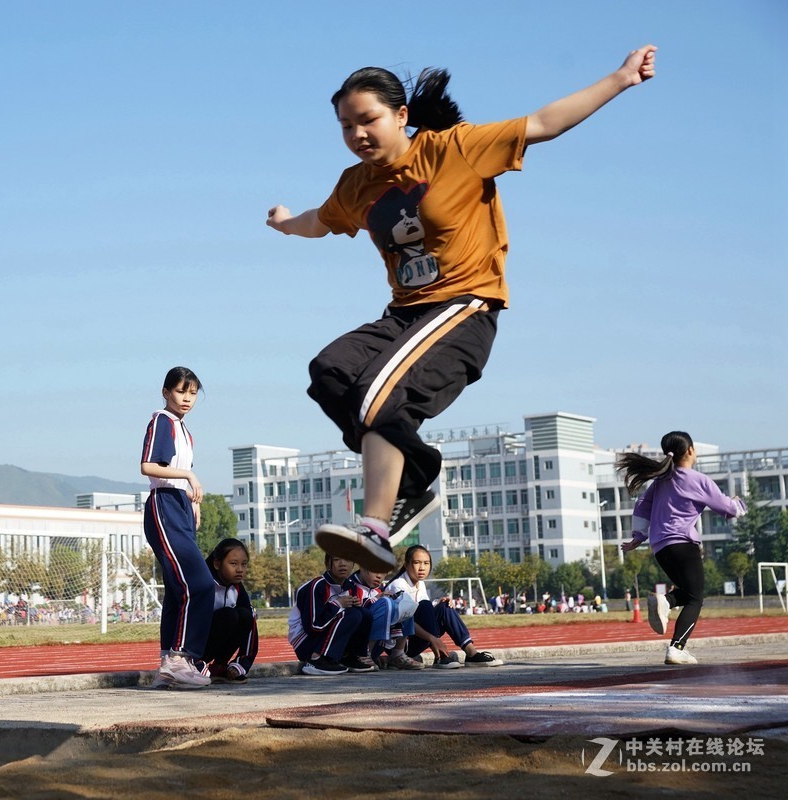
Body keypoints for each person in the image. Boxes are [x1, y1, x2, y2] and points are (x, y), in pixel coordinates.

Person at [267, 46, 658, 572]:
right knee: (330, 371)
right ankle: (413, 476)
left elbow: (543, 123)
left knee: (376, 397)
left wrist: (620, 79)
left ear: (401, 115)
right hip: (405, 316)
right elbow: (321, 219)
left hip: (465, 308)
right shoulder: (356, 183)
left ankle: (378, 527)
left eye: (368, 120)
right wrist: (286, 221)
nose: (358, 134)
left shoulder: (455, 149)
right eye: (345, 126)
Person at [618, 431, 746, 666]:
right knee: (696, 598)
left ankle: (667, 605)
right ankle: (676, 647)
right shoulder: (698, 480)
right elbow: (728, 510)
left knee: (688, 593)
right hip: (683, 545)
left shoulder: (660, 482)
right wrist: (738, 503)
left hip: (660, 548)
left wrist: (638, 536)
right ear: (689, 450)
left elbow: (641, 506)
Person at [141, 367, 212, 690]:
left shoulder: (184, 429)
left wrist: (193, 503)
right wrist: (190, 477)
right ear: (166, 392)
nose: (187, 398)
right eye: (181, 391)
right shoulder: (162, 421)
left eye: (193, 393)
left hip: (180, 507)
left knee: (178, 587)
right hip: (164, 505)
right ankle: (179, 658)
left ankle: (169, 665)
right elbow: (148, 466)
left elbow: (180, 470)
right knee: (198, 583)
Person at [386, 545, 504, 668]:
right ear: (406, 565)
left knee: (445, 606)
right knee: (426, 606)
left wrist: (439, 606)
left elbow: (423, 615)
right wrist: (433, 639)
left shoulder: (420, 584)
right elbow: (405, 619)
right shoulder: (398, 585)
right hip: (399, 645)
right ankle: (440, 657)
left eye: (426, 563)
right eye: (417, 563)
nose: (422, 568)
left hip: (415, 638)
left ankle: (471, 653)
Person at [287, 553, 370, 676]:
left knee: (364, 614)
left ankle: (349, 657)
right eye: (337, 559)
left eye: (348, 560)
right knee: (352, 614)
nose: (342, 564)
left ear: (353, 564)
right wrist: (337, 605)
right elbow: (313, 626)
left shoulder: (350, 586)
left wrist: (354, 606)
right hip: (306, 643)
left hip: (323, 637)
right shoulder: (316, 586)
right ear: (327, 564)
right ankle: (317, 660)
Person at [202, 538, 258, 682]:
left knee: (246, 615)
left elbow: (250, 623)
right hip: (198, 643)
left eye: (244, 564)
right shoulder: (203, 584)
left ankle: (219, 666)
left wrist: (242, 664)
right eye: (233, 564)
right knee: (229, 615)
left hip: (216, 638)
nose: (240, 569)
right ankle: (195, 663)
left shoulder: (238, 588)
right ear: (216, 563)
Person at [345, 565, 418, 670]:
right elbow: (354, 615)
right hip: (355, 646)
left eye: (384, 572)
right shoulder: (350, 586)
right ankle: (364, 655)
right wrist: (376, 600)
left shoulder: (380, 590)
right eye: (375, 570)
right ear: (362, 567)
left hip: (378, 644)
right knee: (384, 603)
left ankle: (398, 654)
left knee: (404, 602)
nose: (379, 576)